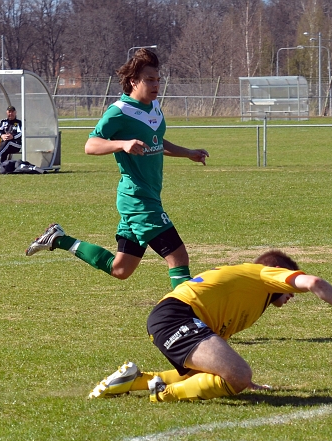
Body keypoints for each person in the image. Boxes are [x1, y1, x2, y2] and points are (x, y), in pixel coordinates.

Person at [87, 250, 332, 402]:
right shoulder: (265, 275)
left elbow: (217, 342)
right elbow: (314, 282)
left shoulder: (254, 297)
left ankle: (134, 380)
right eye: (288, 286)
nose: (291, 295)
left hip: (174, 317)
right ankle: (162, 394)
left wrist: (239, 380)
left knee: (226, 376)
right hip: (175, 317)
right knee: (238, 376)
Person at [24, 48, 209, 290]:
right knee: (178, 258)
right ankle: (184, 317)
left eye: (158, 80)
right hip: (138, 199)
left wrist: (188, 153)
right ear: (134, 81)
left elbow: (155, 142)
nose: (156, 85)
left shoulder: (154, 108)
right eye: (150, 80)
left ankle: (59, 240)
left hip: (149, 195)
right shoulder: (119, 111)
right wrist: (122, 144)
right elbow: (91, 144)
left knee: (120, 269)